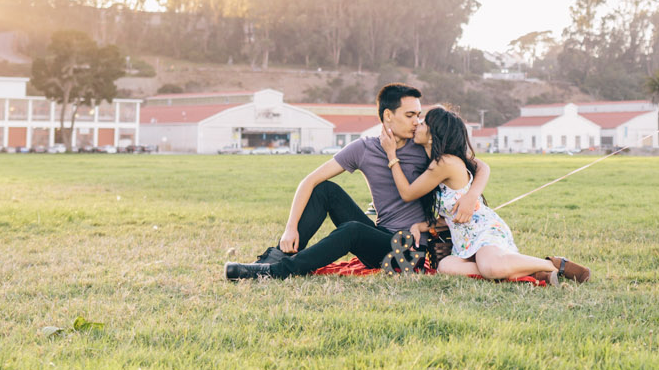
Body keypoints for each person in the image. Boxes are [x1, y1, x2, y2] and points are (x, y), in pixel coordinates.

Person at [224, 84, 490, 280]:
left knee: (352, 230)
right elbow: (309, 180)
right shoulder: (363, 149)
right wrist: (290, 228)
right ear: (388, 116)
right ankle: (274, 258)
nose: (417, 122)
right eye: (410, 115)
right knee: (326, 190)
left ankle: (278, 272)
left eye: (418, 115)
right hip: (380, 239)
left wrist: (470, 197)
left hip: (409, 250)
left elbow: (481, 167)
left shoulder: (424, 145)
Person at [386, 105, 590, 285]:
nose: (417, 126)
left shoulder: (444, 163)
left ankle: (554, 264)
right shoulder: (441, 161)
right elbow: (453, 214)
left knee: (491, 268)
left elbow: (407, 193)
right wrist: (420, 226)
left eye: (422, 123)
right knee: (446, 267)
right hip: (465, 244)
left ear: (432, 134)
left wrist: (391, 155)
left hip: (484, 233)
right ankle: (533, 273)